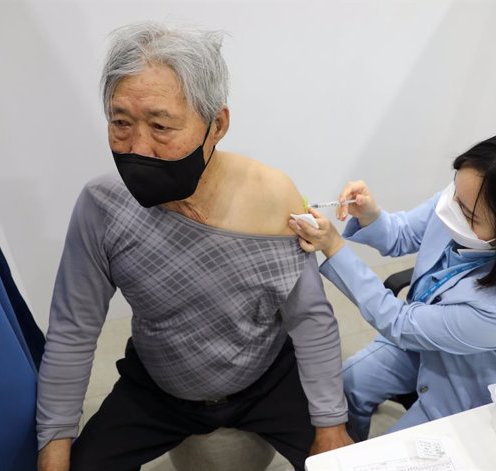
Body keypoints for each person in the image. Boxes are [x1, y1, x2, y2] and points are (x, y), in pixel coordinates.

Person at [36, 22, 352, 471]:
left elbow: (310, 320)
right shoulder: (101, 206)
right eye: (120, 123)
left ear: (216, 124)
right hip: (156, 387)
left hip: (267, 378)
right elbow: (73, 331)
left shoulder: (272, 196)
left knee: (350, 460)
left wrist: (331, 425)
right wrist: (54, 448)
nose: (138, 147)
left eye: (161, 126)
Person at [289, 127, 496, 441]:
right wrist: (371, 215)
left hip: (472, 391)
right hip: (424, 344)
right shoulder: (468, 196)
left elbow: (399, 322)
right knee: (346, 387)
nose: (450, 210)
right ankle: (350, 448)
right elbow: (403, 233)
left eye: (469, 215)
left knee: (393, 457)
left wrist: (334, 247)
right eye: (454, 192)